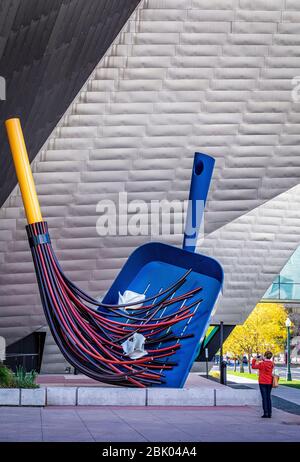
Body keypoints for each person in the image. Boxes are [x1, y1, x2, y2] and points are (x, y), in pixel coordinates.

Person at [252, 351, 274, 418]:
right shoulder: (272, 363)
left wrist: (254, 359)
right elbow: (268, 363)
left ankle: (265, 413)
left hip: (262, 382)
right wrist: (263, 359)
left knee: (264, 398)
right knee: (268, 397)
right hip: (269, 382)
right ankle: (270, 413)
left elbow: (253, 366)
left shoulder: (262, 364)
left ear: (265, 356)